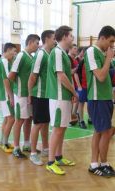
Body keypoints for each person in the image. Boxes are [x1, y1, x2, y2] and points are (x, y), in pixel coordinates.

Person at [84, 26, 115, 177]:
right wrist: (109, 58)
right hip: (97, 99)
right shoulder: (91, 51)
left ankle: (98, 164)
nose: (112, 45)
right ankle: (100, 163)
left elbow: (109, 74)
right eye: (111, 41)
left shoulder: (102, 53)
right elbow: (100, 76)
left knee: (100, 132)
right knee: (105, 132)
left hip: (105, 98)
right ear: (102, 37)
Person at [46, 25, 78, 175]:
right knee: (57, 129)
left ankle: (58, 157)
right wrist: (74, 91)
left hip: (63, 96)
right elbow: (61, 76)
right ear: (64, 36)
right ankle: (51, 162)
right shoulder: (57, 52)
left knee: (62, 128)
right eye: (71, 35)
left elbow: (67, 75)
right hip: (58, 97)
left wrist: (70, 93)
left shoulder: (63, 53)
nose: (73, 38)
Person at [8, 34, 40, 158]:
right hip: (21, 94)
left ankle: (27, 144)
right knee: (19, 120)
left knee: (29, 119)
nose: (38, 46)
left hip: (29, 95)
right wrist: (17, 88)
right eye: (37, 43)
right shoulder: (21, 56)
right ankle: (16, 147)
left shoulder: (31, 57)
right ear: (30, 42)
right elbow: (11, 75)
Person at [28, 30, 55, 165]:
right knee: (38, 124)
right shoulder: (40, 55)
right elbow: (33, 76)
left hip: (47, 94)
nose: (55, 40)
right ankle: (33, 153)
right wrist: (29, 94)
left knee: (45, 123)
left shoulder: (50, 54)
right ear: (47, 39)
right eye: (53, 38)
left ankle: (45, 148)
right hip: (38, 94)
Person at [0, 43, 17, 153]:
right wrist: (11, 96)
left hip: (3, 94)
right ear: (7, 50)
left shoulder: (3, 61)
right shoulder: (4, 62)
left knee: (7, 118)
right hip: (5, 94)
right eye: (13, 51)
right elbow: (6, 80)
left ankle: (3, 142)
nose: (14, 54)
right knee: (11, 118)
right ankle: (4, 143)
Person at [76, 47, 90, 129]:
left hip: (90, 87)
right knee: (81, 103)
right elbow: (76, 74)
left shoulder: (92, 61)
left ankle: (90, 117)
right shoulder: (82, 62)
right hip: (83, 87)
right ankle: (81, 120)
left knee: (90, 103)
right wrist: (79, 86)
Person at [68, 44, 79, 125]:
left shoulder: (73, 59)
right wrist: (77, 68)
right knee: (70, 102)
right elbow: (70, 72)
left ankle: (72, 116)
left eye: (76, 49)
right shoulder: (68, 58)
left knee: (73, 101)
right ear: (70, 49)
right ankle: (70, 117)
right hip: (69, 84)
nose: (76, 50)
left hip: (73, 83)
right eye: (74, 48)